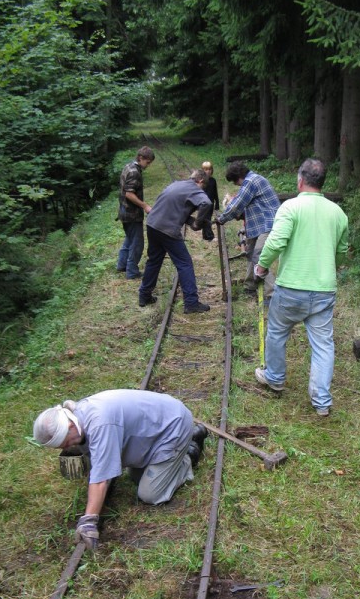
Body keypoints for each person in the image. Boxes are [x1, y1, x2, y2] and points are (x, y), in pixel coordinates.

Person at [33, 389, 208, 550]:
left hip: (173, 426)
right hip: (159, 424)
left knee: (150, 493)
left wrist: (88, 521)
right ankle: (183, 446)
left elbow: (100, 480)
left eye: (65, 442)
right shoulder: (79, 415)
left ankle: (189, 453)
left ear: (70, 426)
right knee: (136, 476)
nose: (67, 447)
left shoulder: (100, 424)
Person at [254, 158, 349, 417]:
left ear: (300, 180)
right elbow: (341, 253)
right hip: (323, 290)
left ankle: (274, 378)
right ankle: (321, 402)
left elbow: (275, 242)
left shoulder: (291, 207)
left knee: (276, 333)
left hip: (290, 289)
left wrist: (262, 267)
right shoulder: (338, 213)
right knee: (323, 345)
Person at [138, 169, 213, 314]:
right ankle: (191, 303)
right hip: (167, 229)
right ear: (201, 181)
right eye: (203, 187)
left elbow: (176, 208)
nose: (202, 190)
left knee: (154, 260)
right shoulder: (194, 188)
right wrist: (198, 223)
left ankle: (144, 295)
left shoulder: (176, 184)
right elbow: (207, 203)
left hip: (152, 224)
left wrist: (193, 221)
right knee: (185, 264)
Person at [217, 162, 281, 299]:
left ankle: (272, 294)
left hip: (268, 223)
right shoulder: (254, 180)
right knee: (251, 252)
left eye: (235, 182)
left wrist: (221, 219)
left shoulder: (251, 181)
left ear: (238, 177)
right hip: (258, 225)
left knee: (260, 255)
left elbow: (237, 204)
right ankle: (250, 285)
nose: (237, 185)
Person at [116, 146, 155, 279]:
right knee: (137, 243)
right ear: (140, 158)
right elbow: (129, 194)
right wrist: (145, 206)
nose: (148, 165)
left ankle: (122, 265)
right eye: (147, 162)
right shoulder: (134, 172)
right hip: (131, 213)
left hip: (124, 211)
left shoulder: (129, 167)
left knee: (129, 239)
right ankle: (132, 272)